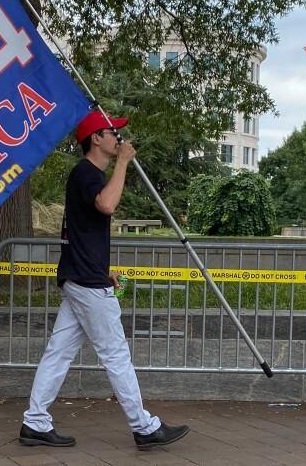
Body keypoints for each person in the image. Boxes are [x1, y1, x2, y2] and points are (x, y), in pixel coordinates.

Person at [18, 111, 190, 451]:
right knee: (116, 355)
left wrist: (103, 267)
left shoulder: (87, 176)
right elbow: (107, 205)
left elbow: (84, 230)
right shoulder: (87, 173)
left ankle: (35, 421)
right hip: (86, 283)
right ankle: (144, 427)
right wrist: (123, 163)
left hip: (82, 276)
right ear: (95, 138)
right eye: (113, 132)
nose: (119, 138)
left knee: (58, 353)